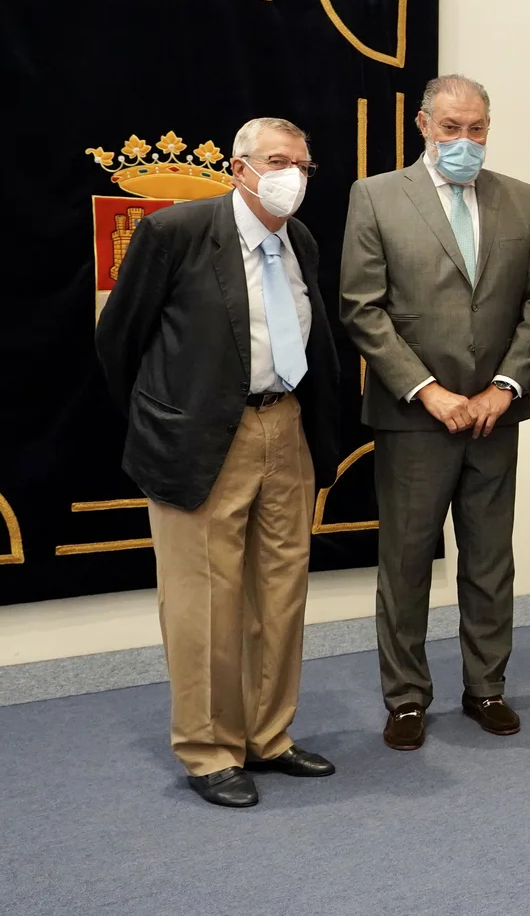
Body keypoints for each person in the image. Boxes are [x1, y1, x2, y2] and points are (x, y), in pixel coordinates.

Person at [96, 117, 341, 808]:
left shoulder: (303, 242)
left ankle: (268, 735)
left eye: (302, 162)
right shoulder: (176, 233)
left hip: (285, 430)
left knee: (281, 590)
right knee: (204, 599)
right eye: (276, 160)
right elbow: (121, 341)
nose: (291, 173)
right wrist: (169, 418)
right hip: (202, 439)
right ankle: (208, 749)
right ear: (239, 168)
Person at [339, 74, 530, 752]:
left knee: (490, 559)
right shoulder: (376, 196)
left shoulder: (519, 200)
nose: (466, 141)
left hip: (493, 415)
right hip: (415, 419)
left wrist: (505, 387)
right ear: (424, 126)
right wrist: (427, 389)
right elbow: (361, 306)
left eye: (478, 128)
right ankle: (406, 696)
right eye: (453, 127)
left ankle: (485, 686)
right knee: (405, 562)